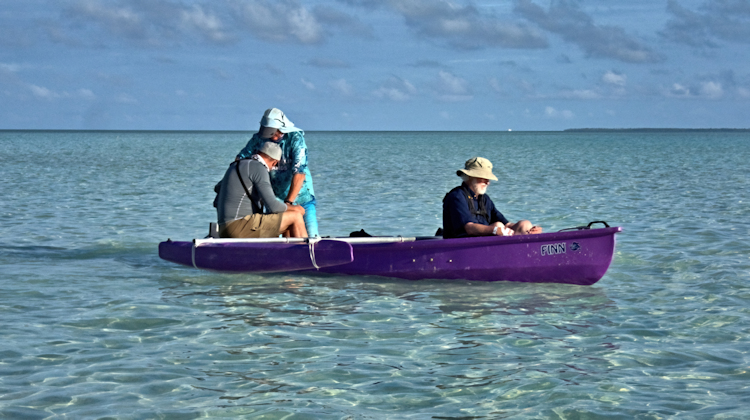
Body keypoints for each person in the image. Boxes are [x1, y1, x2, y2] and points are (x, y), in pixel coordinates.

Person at [235, 108, 319, 237]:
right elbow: (240, 161)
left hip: (302, 198)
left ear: (282, 128)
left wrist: (289, 203)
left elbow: (300, 172)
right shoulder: (258, 139)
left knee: (312, 238)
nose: (271, 137)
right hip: (274, 200)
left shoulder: (295, 138)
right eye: (268, 134)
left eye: (274, 133)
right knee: (277, 244)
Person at [216, 141, 308, 238]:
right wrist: (296, 208)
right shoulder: (259, 167)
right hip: (239, 227)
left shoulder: (236, 165)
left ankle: (287, 251)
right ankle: (306, 251)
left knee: (286, 221)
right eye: (275, 165)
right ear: (275, 162)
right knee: (296, 216)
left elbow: (218, 188)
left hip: (223, 228)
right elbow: (273, 207)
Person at [442, 157, 542, 239]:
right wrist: (494, 230)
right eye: (483, 178)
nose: (488, 182)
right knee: (498, 226)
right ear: (470, 177)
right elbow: (469, 228)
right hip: (461, 247)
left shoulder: (485, 199)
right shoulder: (457, 196)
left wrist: (531, 230)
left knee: (525, 224)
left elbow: (506, 224)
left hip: (484, 244)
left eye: (488, 179)